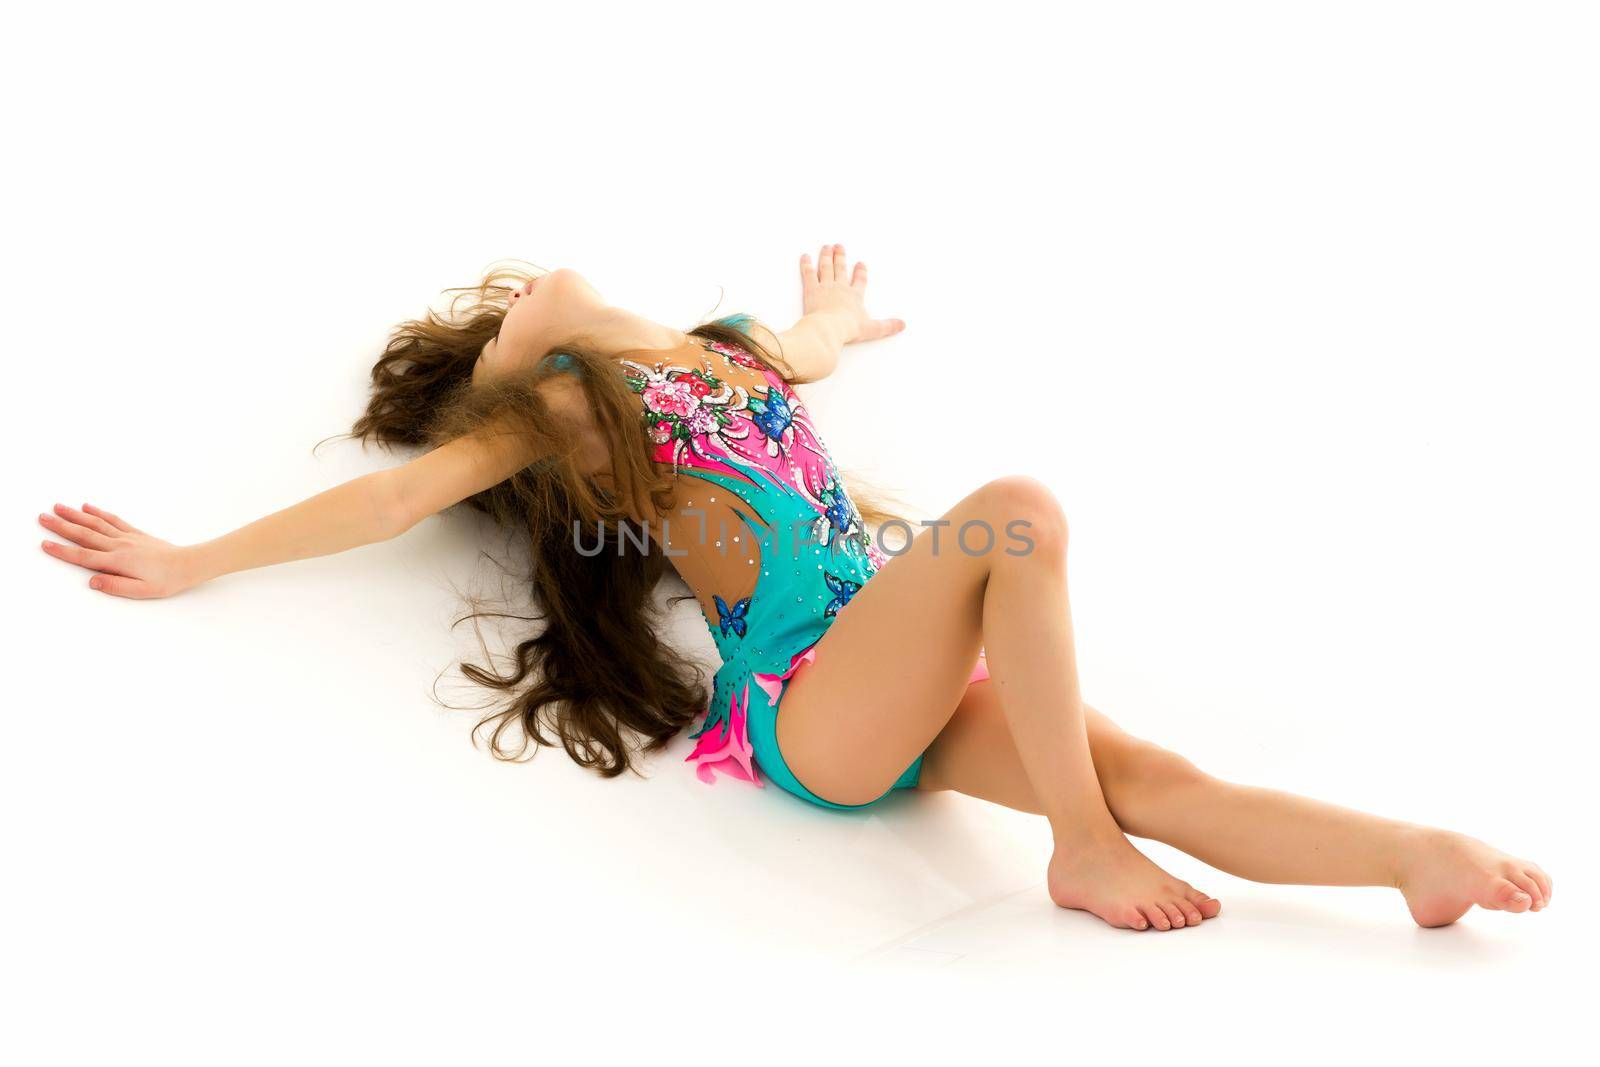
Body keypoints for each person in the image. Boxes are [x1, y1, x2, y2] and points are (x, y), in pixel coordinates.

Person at [38, 246, 1552, 932]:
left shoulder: (733, 353)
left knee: (1158, 766)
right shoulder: (561, 423)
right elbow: (392, 490)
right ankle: (1082, 852)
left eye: (544, 313)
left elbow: (805, 357)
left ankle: (1408, 856)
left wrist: (828, 318)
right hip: (803, 703)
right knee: (1014, 517)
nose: (543, 310)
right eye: (515, 331)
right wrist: (191, 556)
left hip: (885, 660)